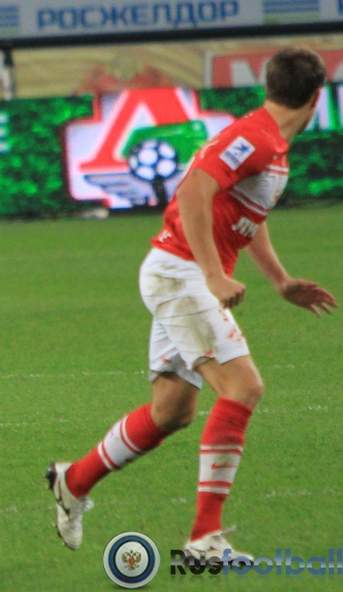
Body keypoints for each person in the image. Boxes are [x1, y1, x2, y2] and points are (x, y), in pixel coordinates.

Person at [47, 47, 336, 560]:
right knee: (243, 387)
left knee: (171, 412)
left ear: (269, 86)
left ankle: (74, 481)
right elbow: (194, 191)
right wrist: (212, 274)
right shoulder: (255, 138)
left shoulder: (269, 143)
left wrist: (280, 280)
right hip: (181, 274)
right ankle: (205, 539)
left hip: (177, 273)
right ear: (317, 97)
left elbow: (247, 214)